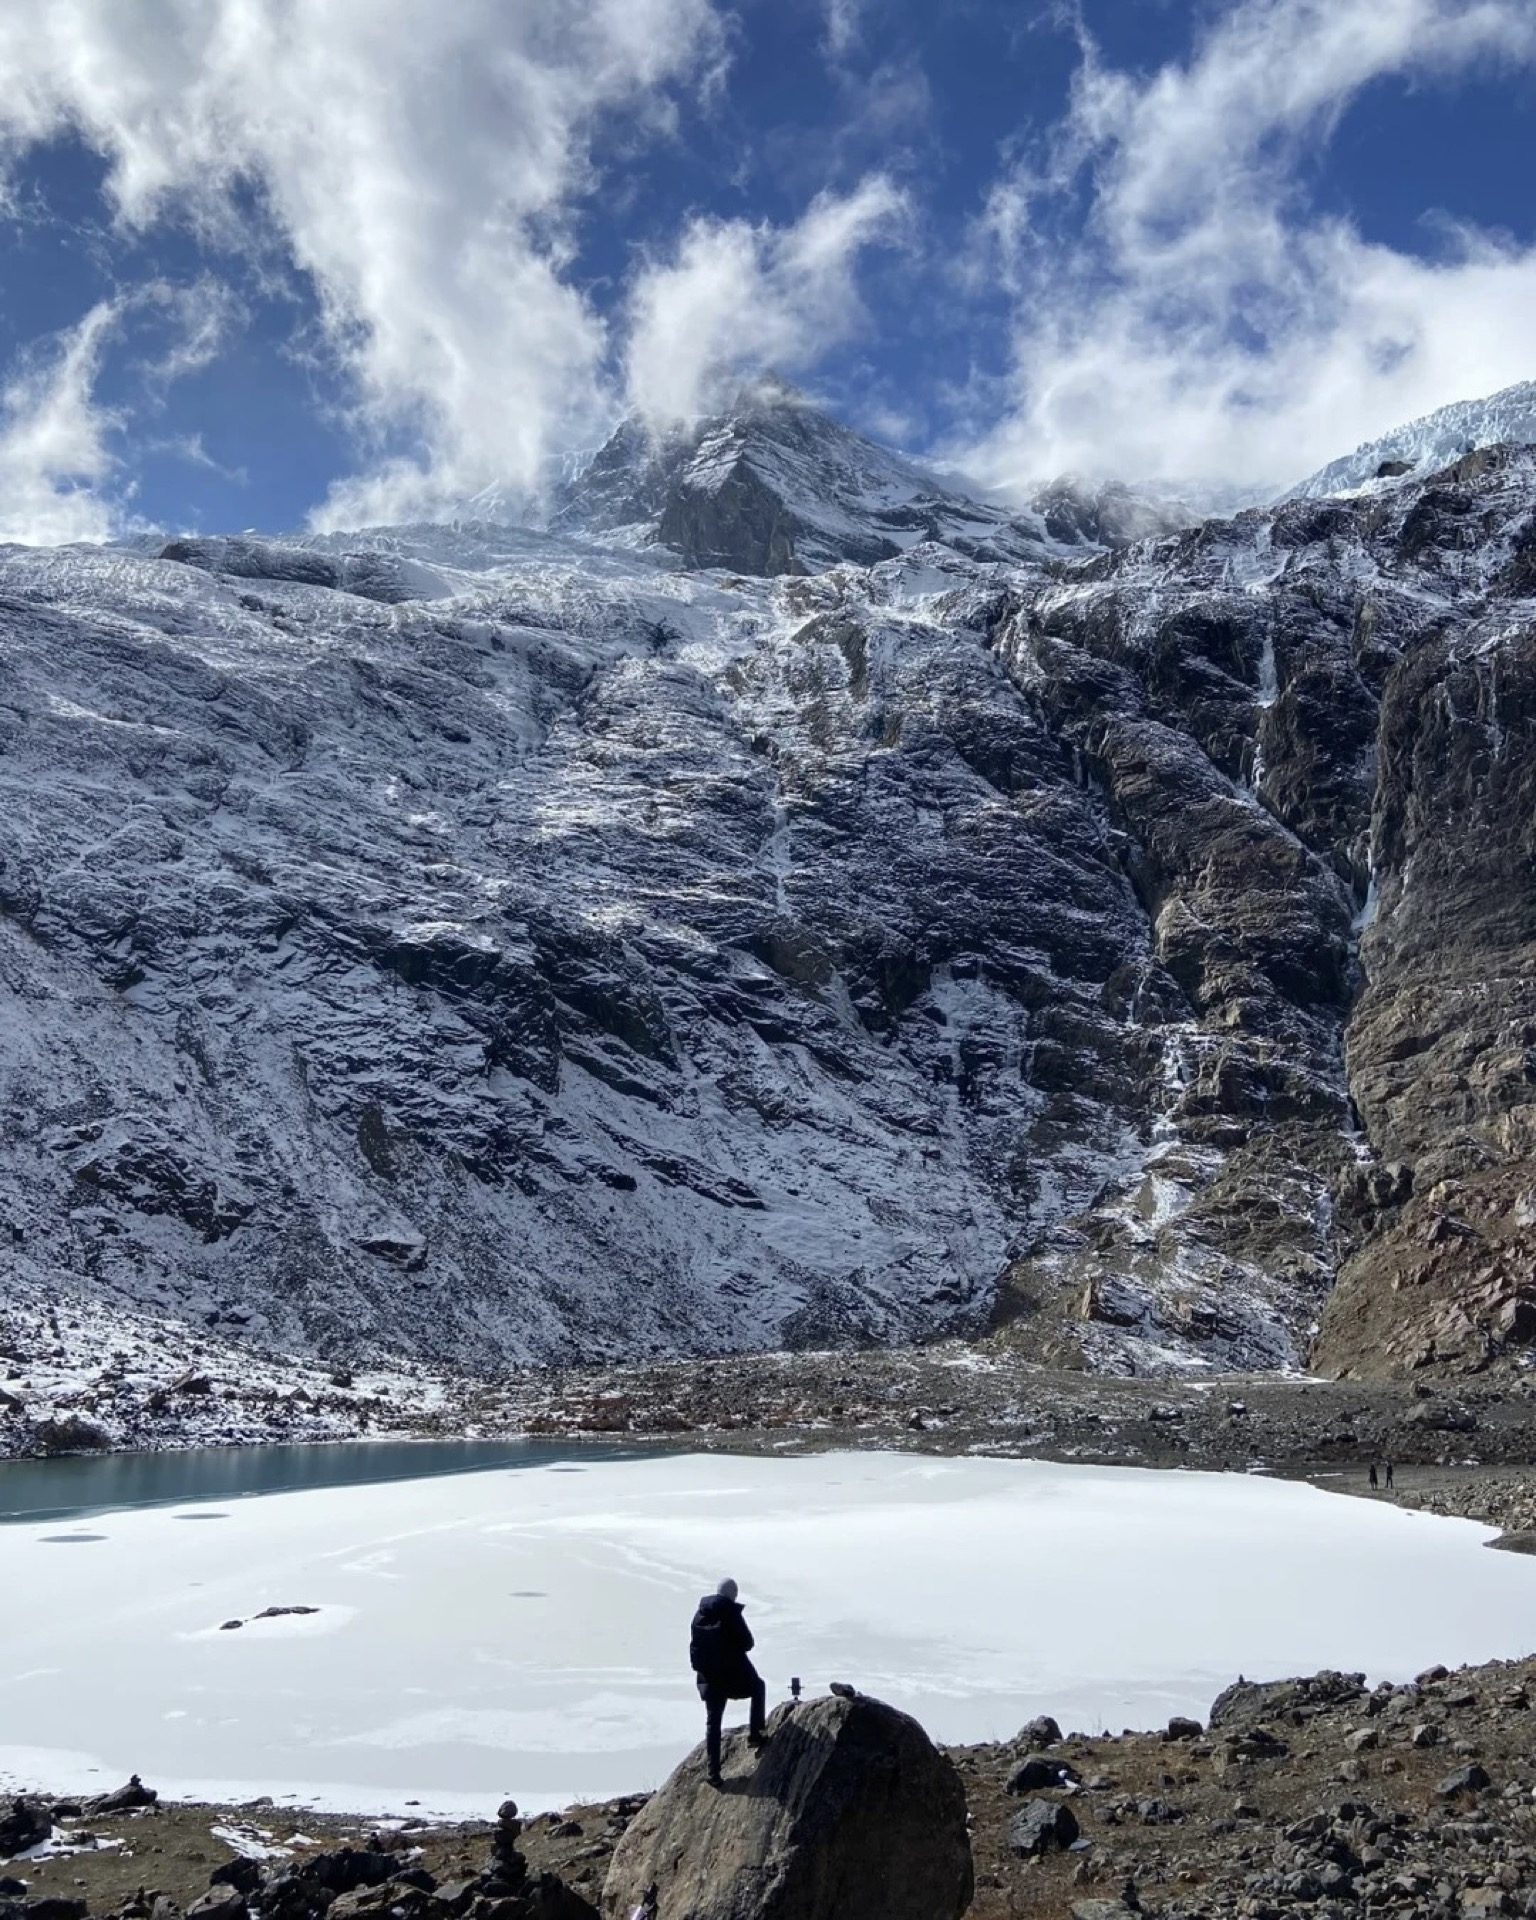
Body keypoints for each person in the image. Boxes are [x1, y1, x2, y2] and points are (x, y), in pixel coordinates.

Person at [689, 1577, 768, 1786]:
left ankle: (713, 1773)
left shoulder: (699, 1616)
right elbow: (747, 1642)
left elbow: (695, 1648)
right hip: (733, 1675)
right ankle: (755, 1734)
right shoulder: (730, 1613)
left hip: (710, 1679)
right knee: (758, 1687)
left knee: (713, 1723)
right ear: (733, 1595)